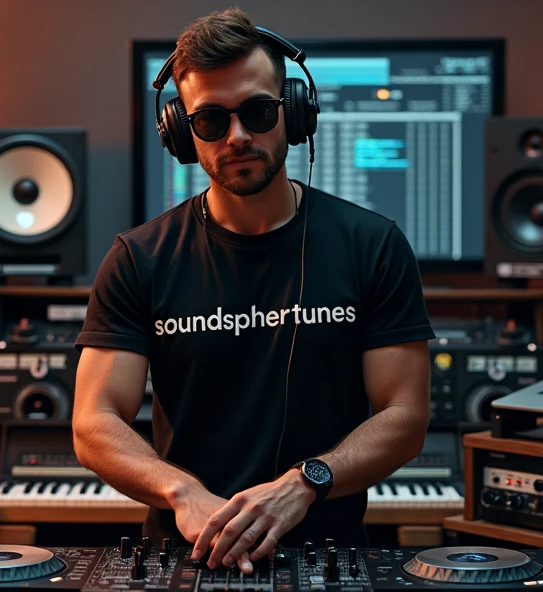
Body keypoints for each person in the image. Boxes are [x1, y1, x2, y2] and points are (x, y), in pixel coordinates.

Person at [73, 7, 433, 576]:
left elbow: (406, 415)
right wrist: (183, 494)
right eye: (211, 120)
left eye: (258, 111)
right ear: (183, 134)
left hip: (330, 558)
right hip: (185, 558)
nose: (237, 136)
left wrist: (305, 482)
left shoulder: (374, 245)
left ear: (293, 113)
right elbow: (94, 423)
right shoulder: (137, 258)